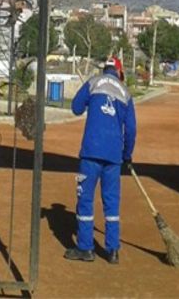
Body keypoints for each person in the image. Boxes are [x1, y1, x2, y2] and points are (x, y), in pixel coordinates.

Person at [64, 58, 137, 264]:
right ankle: (113, 250)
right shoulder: (125, 93)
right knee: (112, 202)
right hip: (114, 156)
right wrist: (127, 154)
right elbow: (131, 129)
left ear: (104, 69)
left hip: (90, 153)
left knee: (85, 199)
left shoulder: (93, 82)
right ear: (119, 72)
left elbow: (76, 108)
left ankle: (86, 248)